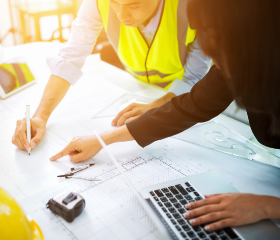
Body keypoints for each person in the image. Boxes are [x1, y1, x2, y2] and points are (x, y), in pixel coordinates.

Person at [50, 0, 280, 232]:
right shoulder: (236, 56)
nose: (218, 68)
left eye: (223, 55)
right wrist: (105, 139)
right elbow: (193, 105)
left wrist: (275, 206)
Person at [11, 0, 211, 151]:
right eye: (114, 2)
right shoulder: (98, 2)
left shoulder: (196, 7)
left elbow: (193, 79)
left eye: (133, 5)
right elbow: (70, 59)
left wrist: (155, 106)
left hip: (182, 96)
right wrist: (40, 117)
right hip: (137, 86)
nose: (121, 15)